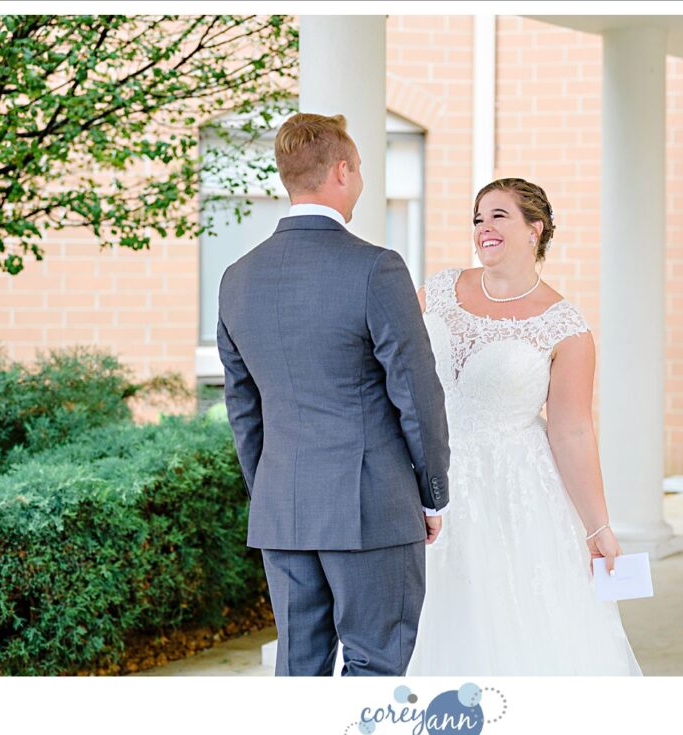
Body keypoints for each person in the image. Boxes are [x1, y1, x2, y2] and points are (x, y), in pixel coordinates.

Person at [216, 112, 451, 676]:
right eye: (362, 167)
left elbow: (243, 409)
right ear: (341, 171)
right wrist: (432, 492)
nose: (363, 180)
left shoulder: (236, 277)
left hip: (284, 508)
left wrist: (271, 490)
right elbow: (416, 392)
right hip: (370, 506)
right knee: (375, 665)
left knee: (299, 668)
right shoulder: (377, 268)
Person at [405, 178, 643, 676]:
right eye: (477, 218)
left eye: (498, 216)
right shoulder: (439, 291)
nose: (483, 228)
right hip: (427, 475)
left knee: (509, 620)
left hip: (512, 490)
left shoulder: (565, 328)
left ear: (534, 230)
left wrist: (598, 527)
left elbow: (572, 431)